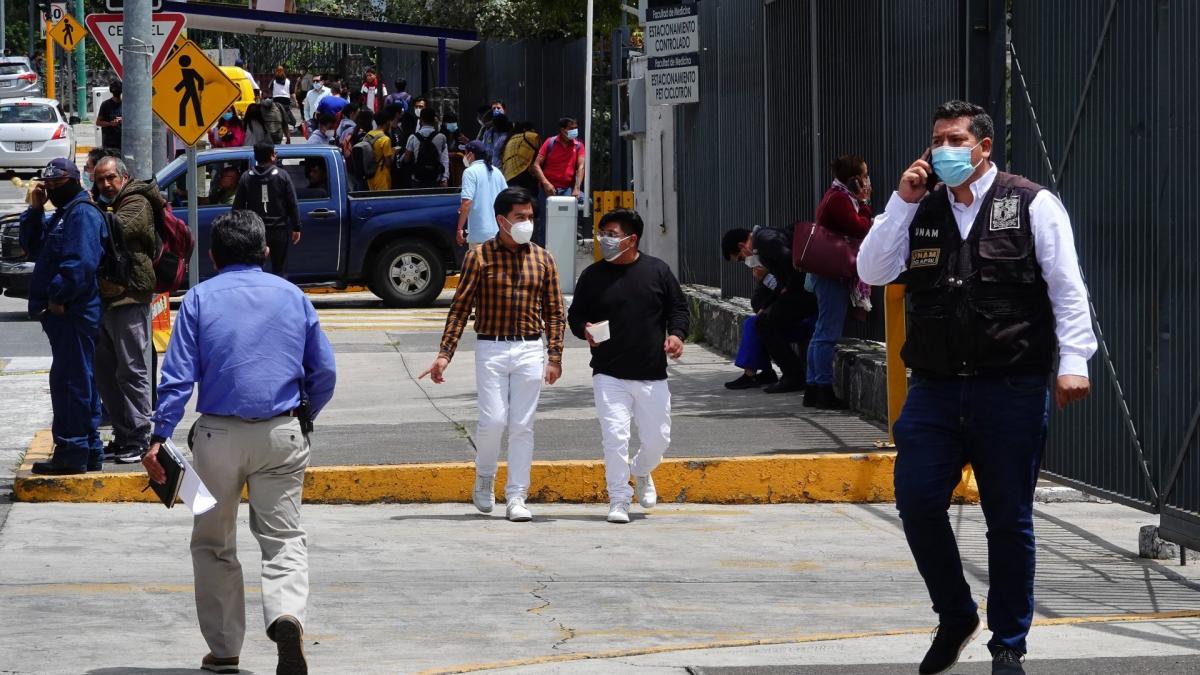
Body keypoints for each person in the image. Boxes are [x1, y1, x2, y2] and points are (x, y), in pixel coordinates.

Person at [856, 100, 1096, 675]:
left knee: (1007, 519)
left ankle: (1008, 643)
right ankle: (956, 612)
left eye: (955, 139)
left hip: (1008, 387)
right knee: (915, 502)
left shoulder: (1033, 203)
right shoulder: (921, 208)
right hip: (935, 389)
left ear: (983, 146)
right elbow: (872, 269)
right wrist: (900, 202)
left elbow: (1066, 288)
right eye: (937, 138)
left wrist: (1076, 361)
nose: (943, 149)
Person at [143, 209, 336, 675]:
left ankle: (225, 650)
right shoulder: (293, 297)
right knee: (284, 538)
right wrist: (303, 415)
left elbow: (178, 377)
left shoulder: (200, 299)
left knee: (212, 543)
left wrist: (159, 434)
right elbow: (324, 372)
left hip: (217, 438)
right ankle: (286, 615)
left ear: (212, 255)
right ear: (265, 251)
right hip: (282, 433)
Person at [421, 187, 565, 522]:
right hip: (491, 347)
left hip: (530, 348)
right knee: (494, 420)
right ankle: (485, 476)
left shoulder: (543, 258)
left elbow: (555, 311)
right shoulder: (480, 257)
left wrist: (555, 356)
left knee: (522, 425)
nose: (526, 223)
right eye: (520, 218)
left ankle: (517, 496)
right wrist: (445, 354)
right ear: (502, 220)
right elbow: (460, 307)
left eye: (530, 217)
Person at [567, 209, 688, 524]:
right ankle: (618, 499)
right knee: (615, 437)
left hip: (651, 372)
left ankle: (643, 470)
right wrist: (585, 329)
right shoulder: (592, 276)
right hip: (609, 372)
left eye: (612, 232)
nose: (604, 238)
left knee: (660, 438)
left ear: (632, 239)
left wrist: (676, 335)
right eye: (602, 231)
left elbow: (678, 308)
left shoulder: (657, 271)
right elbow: (575, 316)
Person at [19, 159, 105, 474]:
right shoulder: (63, 214)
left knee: (71, 382)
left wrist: (56, 298)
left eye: (58, 184)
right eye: (49, 185)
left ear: (74, 180)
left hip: (73, 312)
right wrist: (35, 208)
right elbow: (32, 247)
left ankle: (73, 450)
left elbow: (79, 265)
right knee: (77, 379)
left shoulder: (81, 214)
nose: (53, 189)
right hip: (65, 314)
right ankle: (88, 448)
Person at [92, 156, 160, 465]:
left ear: (124, 177)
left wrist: (85, 210)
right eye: (100, 180)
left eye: (110, 178)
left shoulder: (136, 202)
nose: (106, 184)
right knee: (106, 372)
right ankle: (122, 435)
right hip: (106, 298)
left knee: (132, 369)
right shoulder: (105, 205)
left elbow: (113, 229)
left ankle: (139, 436)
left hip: (130, 296)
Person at [805, 154, 875, 409]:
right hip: (831, 272)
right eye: (865, 176)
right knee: (828, 332)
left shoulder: (835, 195)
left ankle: (813, 386)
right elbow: (860, 228)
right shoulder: (840, 199)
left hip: (827, 271)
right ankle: (821, 388)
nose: (868, 181)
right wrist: (865, 201)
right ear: (855, 179)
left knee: (822, 330)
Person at [722, 225, 817, 393]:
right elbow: (779, 282)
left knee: (764, 323)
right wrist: (767, 305)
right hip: (799, 292)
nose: (744, 261)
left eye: (739, 258)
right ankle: (776, 373)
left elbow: (792, 266)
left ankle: (793, 375)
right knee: (761, 321)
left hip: (805, 294)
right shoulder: (763, 244)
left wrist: (786, 290)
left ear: (741, 246)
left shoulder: (765, 242)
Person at [233, 143, 301, 276]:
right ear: (271, 156)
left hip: (255, 231)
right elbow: (292, 203)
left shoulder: (247, 177)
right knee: (280, 269)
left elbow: (237, 207)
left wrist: (238, 228)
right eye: (274, 152)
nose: (276, 155)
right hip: (278, 230)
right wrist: (296, 226)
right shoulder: (282, 176)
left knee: (254, 268)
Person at [456, 140, 507, 249]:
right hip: (499, 233)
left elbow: (466, 203)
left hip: (479, 235)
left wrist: (459, 228)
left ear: (470, 155)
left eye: (465, 153)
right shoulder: (497, 172)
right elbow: (507, 198)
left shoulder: (470, 172)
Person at [403, 106, 449, 188]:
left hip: (417, 178)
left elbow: (407, 159)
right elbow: (444, 159)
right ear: (434, 119)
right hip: (435, 178)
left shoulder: (413, 137)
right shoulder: (442, 137)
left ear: (420, 120)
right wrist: (444, 178)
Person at [501, 121, 541, 194]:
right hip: (524, 174)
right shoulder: (531, 136)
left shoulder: (510, 139)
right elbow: (540, 155)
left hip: (508, 177)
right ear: (526, 129)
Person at [364, 110, 394, 191]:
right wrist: (393, 154)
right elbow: (388, 163)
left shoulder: (369, 134)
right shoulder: (385, 139)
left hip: (370, 175)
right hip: (382, 176)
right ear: (387, 122)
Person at [96, 81, 123, 150]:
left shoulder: (125, 105)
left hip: (123, 142)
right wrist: (110, 123)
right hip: (109, 144)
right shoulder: (106, 105)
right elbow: (98, 122)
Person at [269, 65, 296, 133]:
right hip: (285, 101)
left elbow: (270, 89)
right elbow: (292, 92)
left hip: (277, 100)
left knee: (278, 116)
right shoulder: (288, 81)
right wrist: (295, 101)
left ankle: (281, 130)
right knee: (286, 115)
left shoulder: (274, 81)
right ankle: (289, 125)